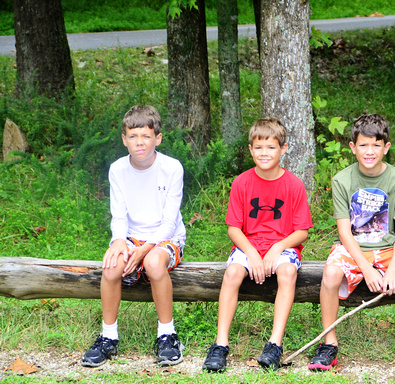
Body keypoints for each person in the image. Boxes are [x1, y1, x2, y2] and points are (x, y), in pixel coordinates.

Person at [308, 114, 395, 374]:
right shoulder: (342, 180)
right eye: (363, 145)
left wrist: (392, 268)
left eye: (376, 145)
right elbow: (345, 231)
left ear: (386, 147)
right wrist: (367, 269)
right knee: (331, 274)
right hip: (353, 248)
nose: (370, 152)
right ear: (352, 147)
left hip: (390, 248)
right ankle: (329, 343)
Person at [202, 118, 313, 372]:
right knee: (232, 273)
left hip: (283, 246)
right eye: (259, 147)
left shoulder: (293, 185)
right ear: (251, 150)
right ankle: (220, 345)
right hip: (248, 245)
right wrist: (251, 252)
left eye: (271, 147)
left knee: (287, 271)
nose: (265, 153)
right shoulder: (242, 182)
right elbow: (234, 228)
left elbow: (302, 231)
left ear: (283, 149)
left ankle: (274, 344)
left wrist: (276, 248)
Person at [81, 105, 187, 368]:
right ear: (124, 139)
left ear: (158, 138)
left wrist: (143, 252)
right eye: (133, 136)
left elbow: (170, 222)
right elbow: (119, 215)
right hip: (131, 236)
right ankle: (109, 337)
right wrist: (119, 241)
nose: (140, 142)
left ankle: (167, 335)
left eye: (147, 136)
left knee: (152, 263)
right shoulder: (117, 169)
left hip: (167, 238)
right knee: (112, 265)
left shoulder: (172, 168)